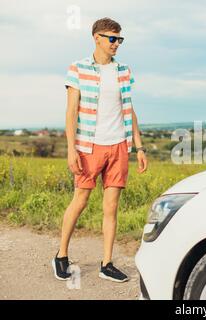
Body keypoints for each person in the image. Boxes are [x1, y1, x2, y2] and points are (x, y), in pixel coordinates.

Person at [52, 17, 148, 283]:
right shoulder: (78, 68)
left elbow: (130, 111)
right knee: (80, 200)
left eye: (120, 39)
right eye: (112, 38)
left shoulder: (124, 71)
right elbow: (71, 112)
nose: (117, 43)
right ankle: (61, 255)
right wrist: (71, 149)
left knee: (112, 207)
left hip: (118, 146)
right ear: (97, 38)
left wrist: (139, 147)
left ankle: (107, 263)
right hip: (89, 146)